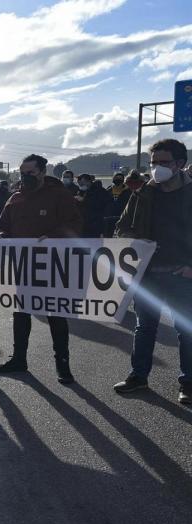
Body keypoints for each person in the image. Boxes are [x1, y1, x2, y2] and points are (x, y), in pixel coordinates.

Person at [113, 139, 192, 404]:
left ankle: (188, 383)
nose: (156, 168)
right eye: (153, 162)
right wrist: (134, 242)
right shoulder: (142, 194)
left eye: (163, 162)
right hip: (147, 274)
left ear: (180, 164)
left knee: (186, 330)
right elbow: (121, 229)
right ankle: (138, 375)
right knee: (144, 327)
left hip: (183, 276)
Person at [0, 154, 81, 384]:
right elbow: (4, 224)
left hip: (52, 266)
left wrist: (52, 237)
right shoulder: (16, 197)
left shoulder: (59, 195)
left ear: (42, 171)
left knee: (55, 315)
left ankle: (63, 365)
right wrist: (2, 235)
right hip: (22, 265)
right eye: (22, 172)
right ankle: (19, 360)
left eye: (29, 172)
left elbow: (75, 224)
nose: (24, 176)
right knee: (21, 313)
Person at [74, 173, 111, 238]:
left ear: (88, 182)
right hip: (84, 226)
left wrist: (84, 200)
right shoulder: (81, 191)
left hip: (96, 226)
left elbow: (101, 205)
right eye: (79, 184)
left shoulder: (99, 191)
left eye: (82, 183)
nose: (80, 185)